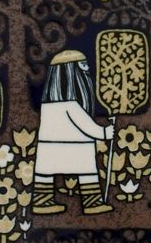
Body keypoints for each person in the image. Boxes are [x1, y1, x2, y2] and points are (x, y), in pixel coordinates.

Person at [33, 50, 114, 215]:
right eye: (83, 65)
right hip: (76, 148)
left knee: (45, 174)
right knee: (87, 172)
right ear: (70, 71)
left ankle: (41, 201)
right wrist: (105, 132)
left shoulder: (48, 105)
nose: (87, 70)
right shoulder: (70, 105)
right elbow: (86, 126)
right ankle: (92, 203)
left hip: (50, 149)